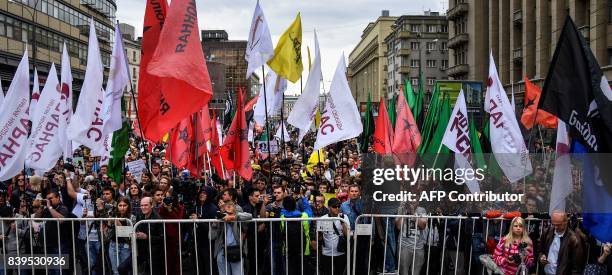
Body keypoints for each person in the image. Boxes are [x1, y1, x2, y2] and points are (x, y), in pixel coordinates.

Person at [211, 200, 252, 275]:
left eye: (231, 205)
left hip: (236, 250)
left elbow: (250, 216)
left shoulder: (238, 216)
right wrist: (216, 223)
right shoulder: (220, 218)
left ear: (234, 208)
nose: (229, 207)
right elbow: (211, 236)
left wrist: (233, 217)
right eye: (227, 205)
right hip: (222, 251)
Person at [190, 187, 218, 275]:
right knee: (198, 266)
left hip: (208, 243)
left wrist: (199, 219)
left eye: (205, 193)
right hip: (196, 242)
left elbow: (211, 227)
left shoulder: (213, 208)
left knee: (208, 266)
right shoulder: (195, 207)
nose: (202, 194)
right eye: (201, 193)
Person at [318, 198, 349, 275]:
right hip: (326, 252)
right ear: (329, 207)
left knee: (339, 272)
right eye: (334, 206)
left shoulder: (344, 217)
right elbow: (319, 236)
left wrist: (342, 222)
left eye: (339, 206)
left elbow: (347, 235)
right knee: (327, 272)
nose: (337, 208)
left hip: (340, 252)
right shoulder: (322, 219)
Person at [135, 197, 164, 275]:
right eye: (141, 205)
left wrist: (147, 237)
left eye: (146, 205)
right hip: (142, 251)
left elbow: (162, 238)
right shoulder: (139, 215)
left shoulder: (158, 218)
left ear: (152, 205)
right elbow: (137, 229)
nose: (143, 207)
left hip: (154, 254)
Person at [108, 197, 135, 275]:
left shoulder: (132, 217)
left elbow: (129, 237)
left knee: (125, 270)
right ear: (117, 206)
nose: (122, 208)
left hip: (126, 246)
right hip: (113, 245)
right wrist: (109, 223)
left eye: (124, 205)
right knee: (115, 271)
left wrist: (120, 225)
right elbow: (107, 235)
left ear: (128, 206)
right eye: (120, 205)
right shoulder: (113, 214)